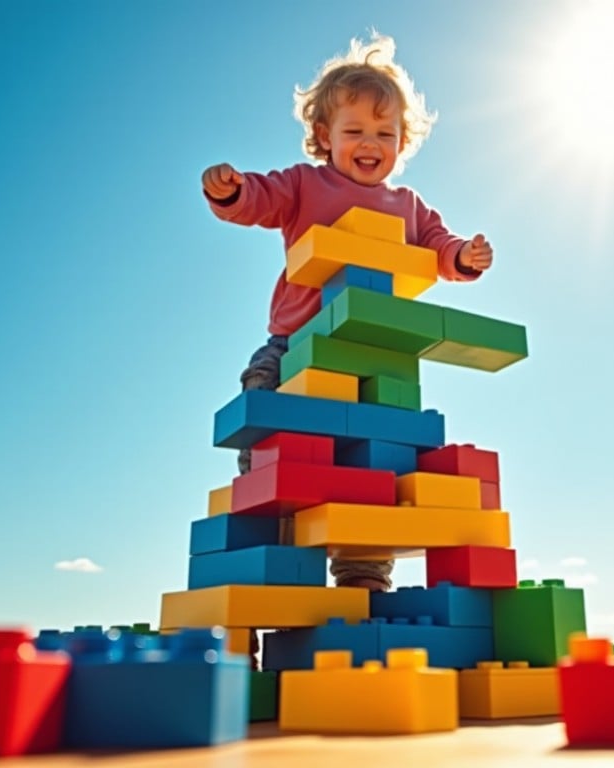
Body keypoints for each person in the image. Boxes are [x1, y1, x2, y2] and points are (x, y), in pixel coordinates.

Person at [201, 33, 493, 633]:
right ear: (324, 138)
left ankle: (364, 569)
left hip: (372, 354)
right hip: (297, 342)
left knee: (373, 469)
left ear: (402, 145)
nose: (370, 144)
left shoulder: (408, 204)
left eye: (385, 135)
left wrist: (463, 256)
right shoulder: (307, 185)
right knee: (269, 393)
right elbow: (262, 199)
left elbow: (438, 246)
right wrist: (232, 191)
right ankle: (265, 476)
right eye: (355, 130)